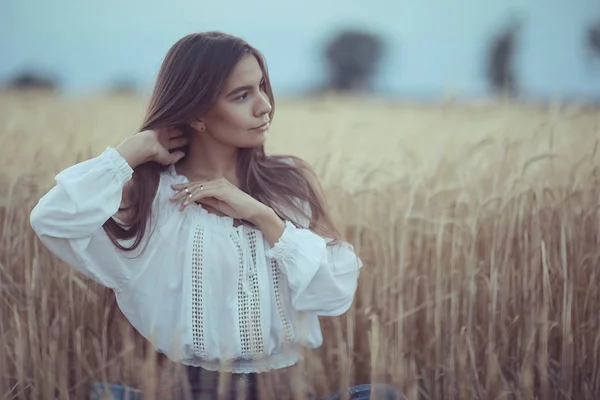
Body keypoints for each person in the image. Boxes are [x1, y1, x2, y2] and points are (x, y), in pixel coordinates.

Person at [30, 31, 401, 400]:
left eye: (262, 87)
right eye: (242, 95)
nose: (264, 106)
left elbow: (335, 293)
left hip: (288, 390)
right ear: (196, 114)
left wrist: (263, 217)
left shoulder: (289, 184)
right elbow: (51, 219)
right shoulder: (152, 198)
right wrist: (129, 153)